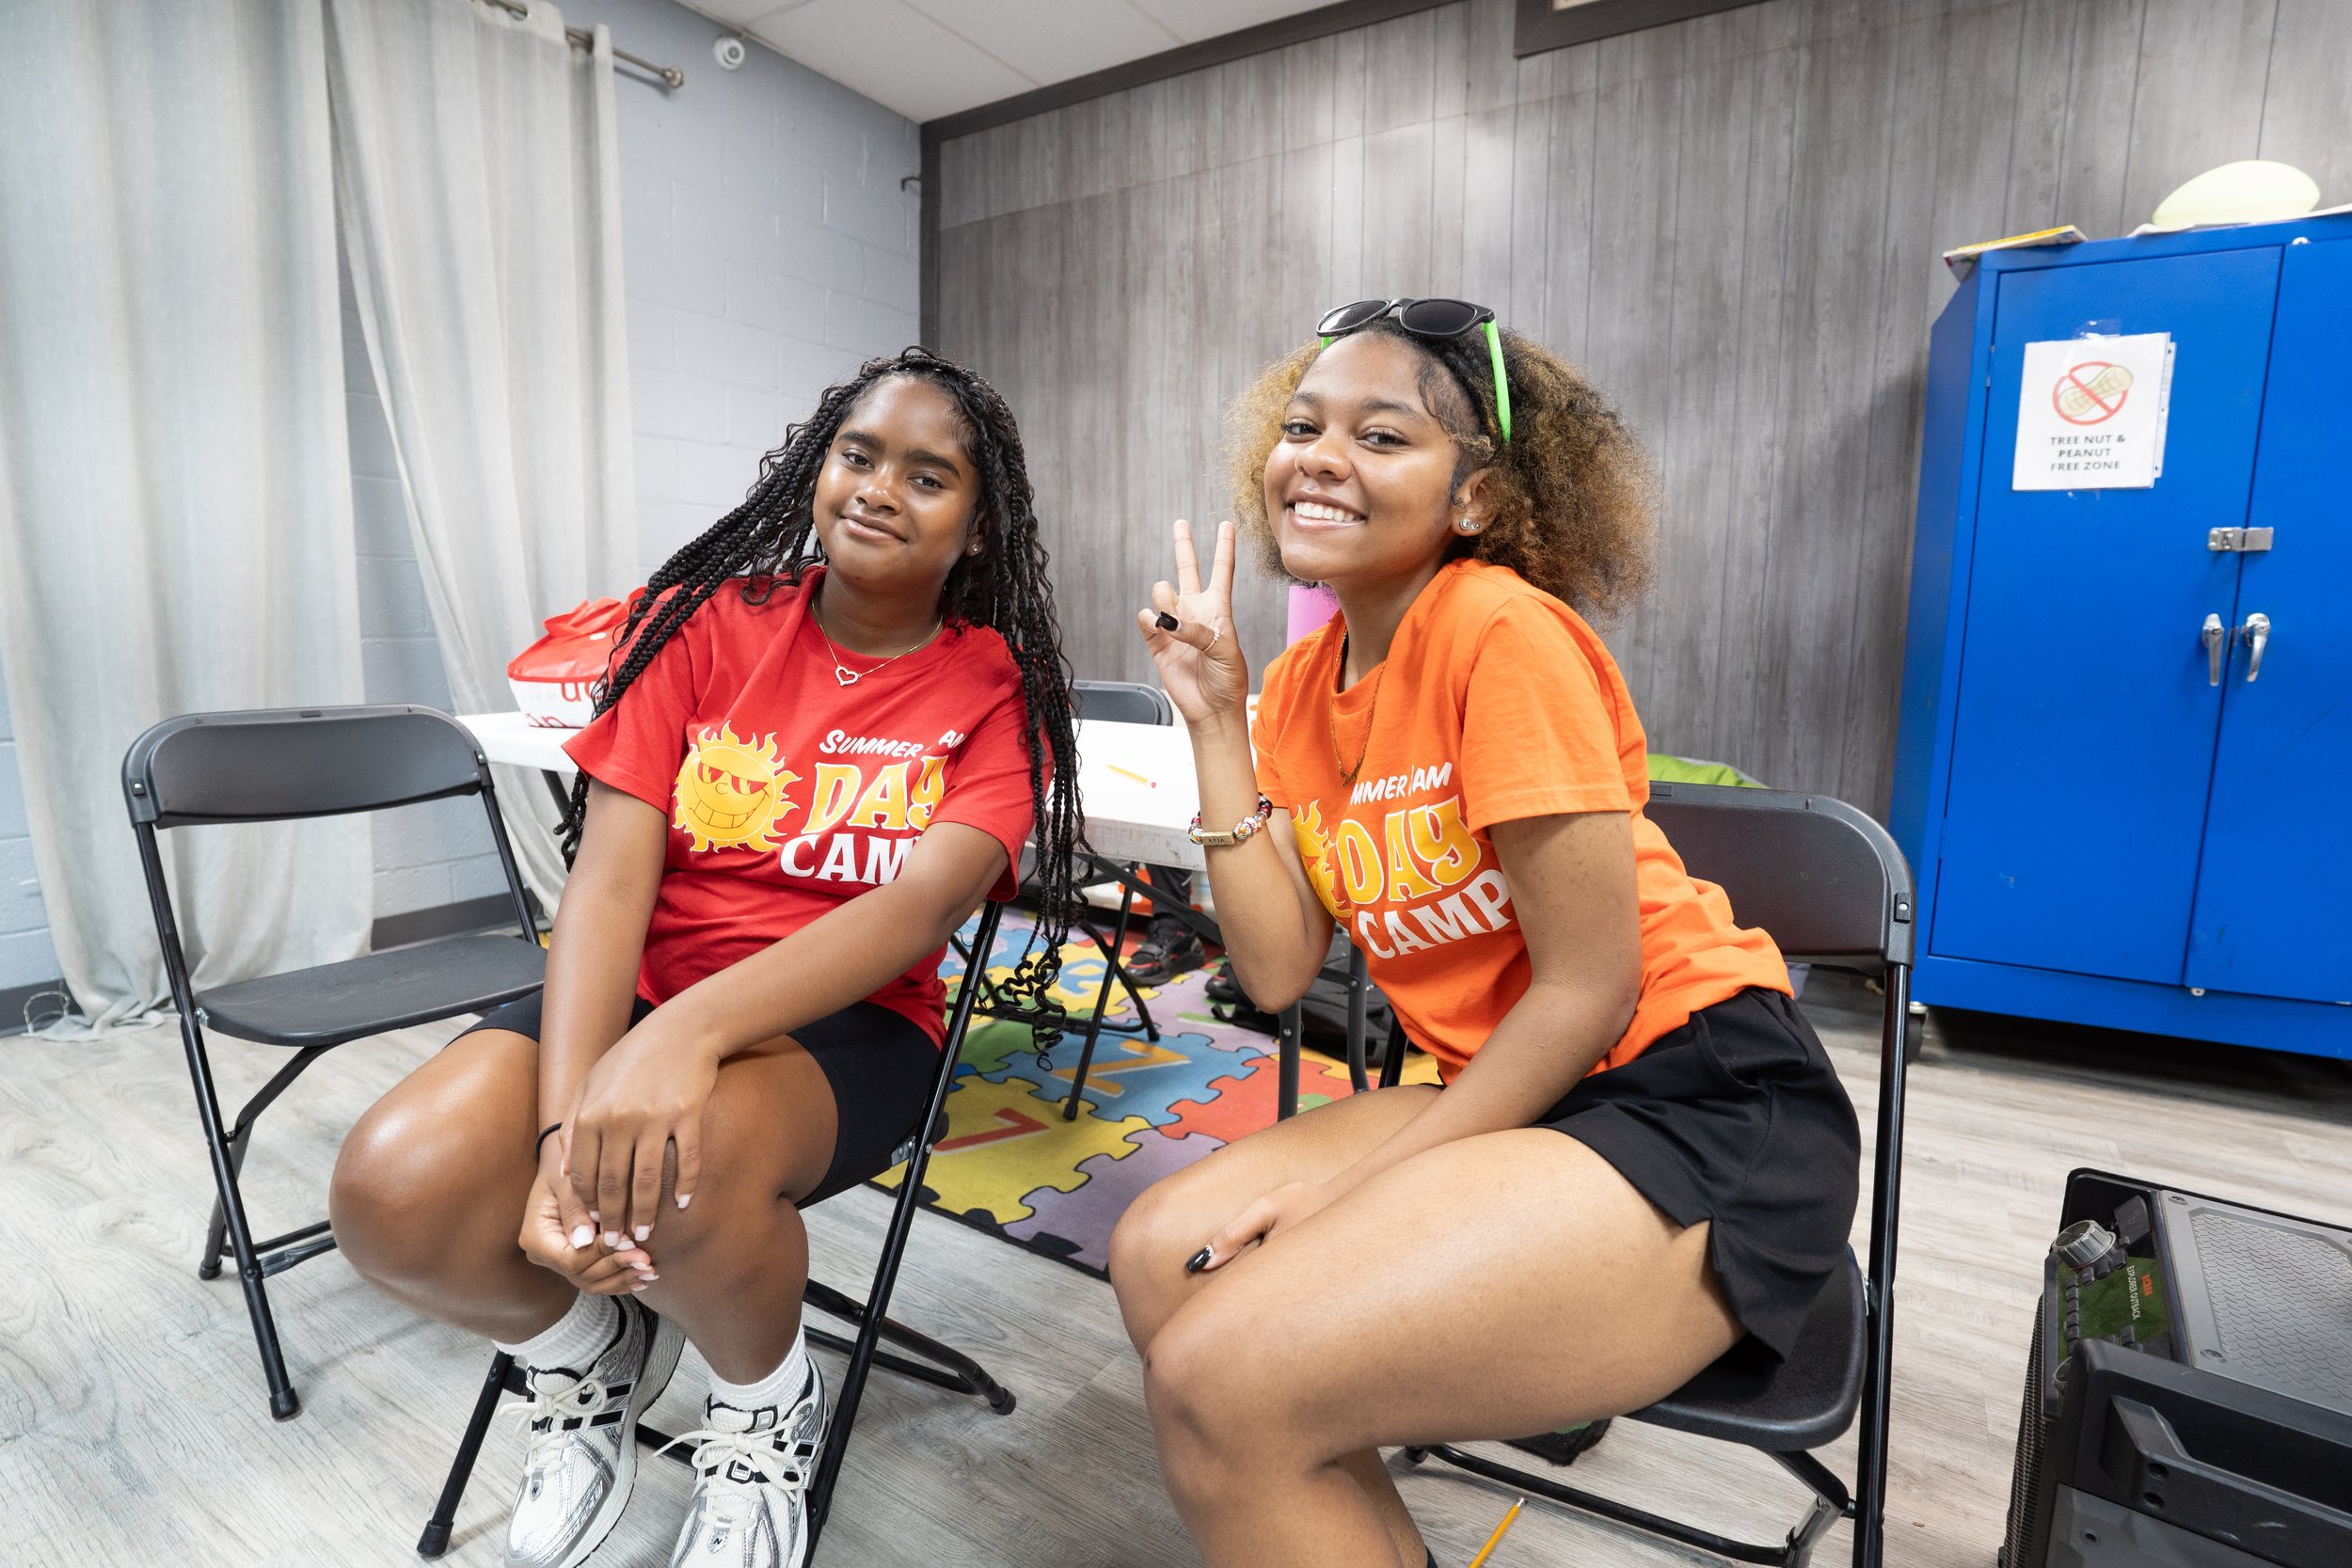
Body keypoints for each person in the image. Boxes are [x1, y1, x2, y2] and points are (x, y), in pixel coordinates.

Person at [1108, 299, 1860, 1568]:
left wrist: (1342, 1197)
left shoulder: (1499, 630)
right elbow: (1280, 970)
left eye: (1383, 435)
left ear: (1473, 501)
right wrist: (1216, 726)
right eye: (1303, 427)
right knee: (1156, 1257)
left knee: (1223, 1376)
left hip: (1699, 1098)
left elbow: (1590, 990)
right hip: (1527, 1095)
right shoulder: (1297, 688)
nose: (1322, 456)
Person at [329, 349, 1084, 1568]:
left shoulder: (998, 683)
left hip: (852, 1026)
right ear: (818, 467)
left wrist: (682, 1038)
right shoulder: (703, 626)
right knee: (392, 1190)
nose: (881, 488)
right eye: (859, 454)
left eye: (930, 475)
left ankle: (763, 1409)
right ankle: (587, 1355)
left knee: (671, 1172)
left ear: (980, 526)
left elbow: (916, 911)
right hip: (643, 991)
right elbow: (610, 882)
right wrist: (560, 1135)